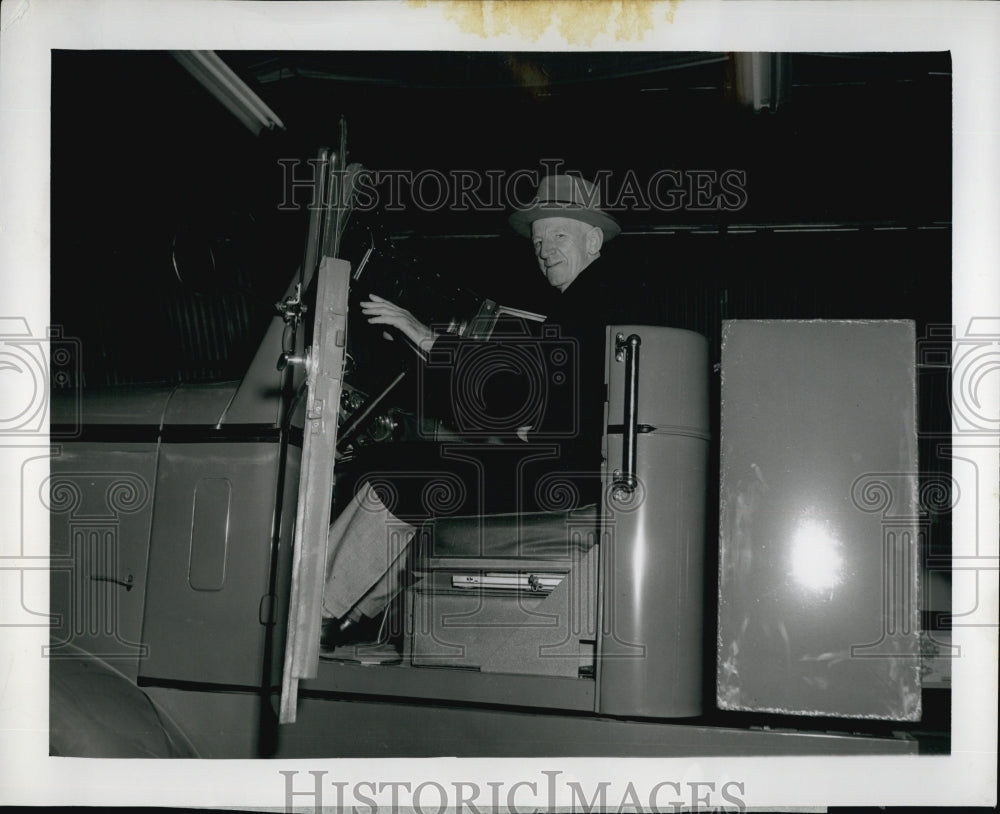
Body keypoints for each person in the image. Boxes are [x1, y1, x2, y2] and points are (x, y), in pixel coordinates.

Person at [321, 173, 648, 651]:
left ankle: (318, 613)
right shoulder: (595, 301)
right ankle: (356, 619)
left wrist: (423, 335)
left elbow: (517, 392)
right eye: (538, 241)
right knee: (421, 472)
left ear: (593, 239)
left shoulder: (590, 303)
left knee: (394, 475)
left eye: (558, 235)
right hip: (572, 465)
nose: (545, 250)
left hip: (567, 474)